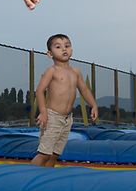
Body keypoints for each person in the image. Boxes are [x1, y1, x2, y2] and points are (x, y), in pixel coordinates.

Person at [31, 34, 98, 167]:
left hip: (67, 119)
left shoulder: (76, 72)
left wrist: (94, 105)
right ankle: (27, 177)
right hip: (52, 117)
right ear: (50, 54)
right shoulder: (52, 71)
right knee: (44, 153)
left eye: (67, 46)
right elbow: (39, 90)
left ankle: (46, 177)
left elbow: (84, 90)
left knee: (55, 154)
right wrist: (43, 112)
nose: (64, 49)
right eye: (58, 47)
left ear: (71, 50)